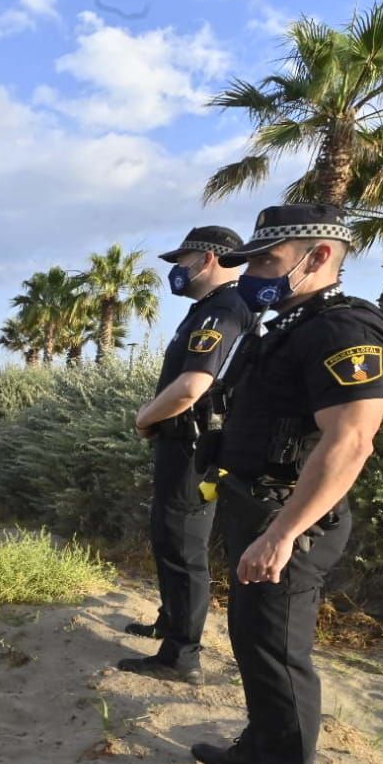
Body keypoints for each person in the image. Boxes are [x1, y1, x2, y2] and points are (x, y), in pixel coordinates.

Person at [189, 204, 383, 764]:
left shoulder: (344, 329)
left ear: (319, 258)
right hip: (257, 505)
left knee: (281, 656)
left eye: (265, 261)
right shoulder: (292, 322)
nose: (249, 272)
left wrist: (283, 532)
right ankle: (260, 749)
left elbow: (351, 441)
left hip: (291, 519)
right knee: (255, 642)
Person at [121, 226, 254, 684]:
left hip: (195, 447)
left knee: (183, 547)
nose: (177, 269)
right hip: (182, 445)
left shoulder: (225, 310)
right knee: (167, 538)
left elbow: (192, 387)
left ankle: (181, 656)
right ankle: (170, 621)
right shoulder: (208, 310)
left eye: (183, 259)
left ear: (210, 259)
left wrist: (144, 418)